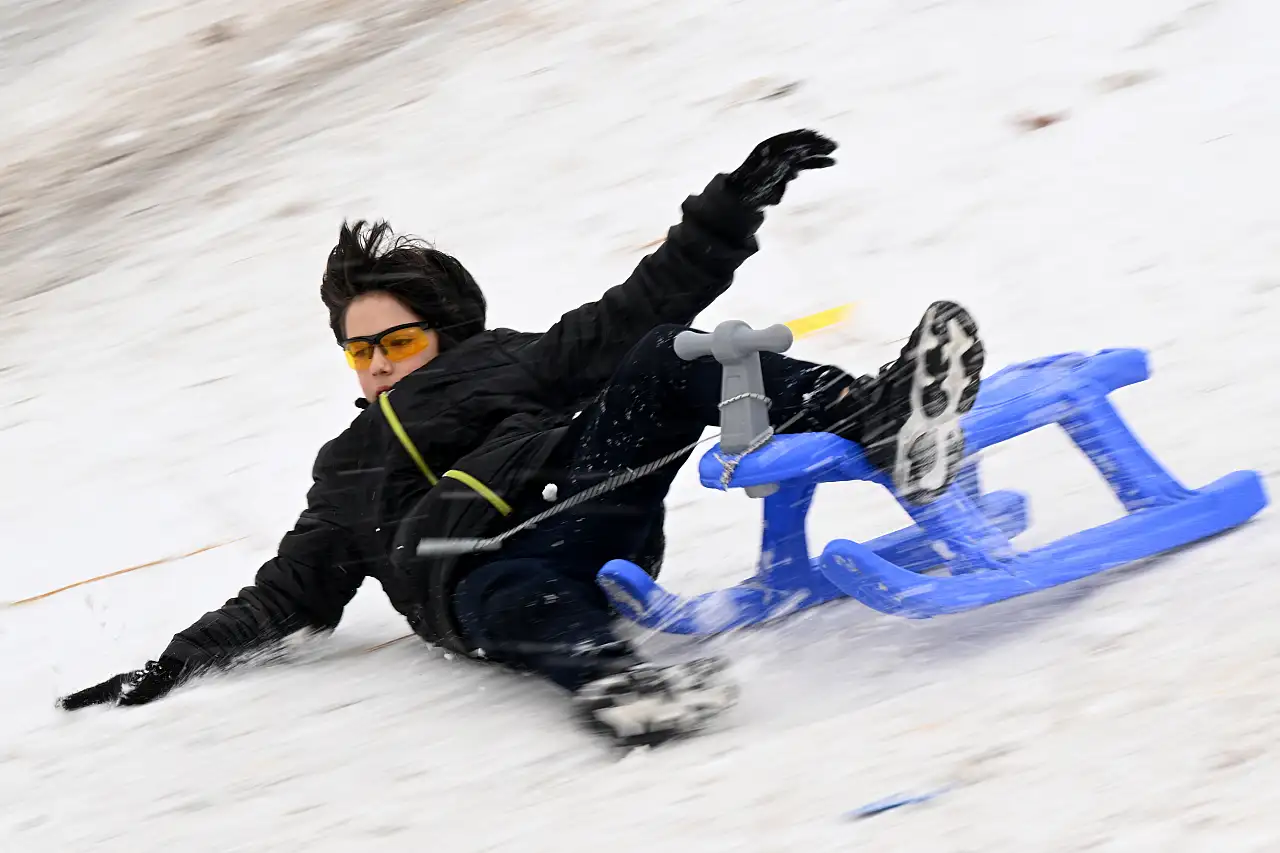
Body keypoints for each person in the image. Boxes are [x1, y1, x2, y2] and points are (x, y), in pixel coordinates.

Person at [56, 130, 984, 747]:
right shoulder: (346, 469)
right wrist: (175, 659)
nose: (377, 364)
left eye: (398, 341)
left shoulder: (511, 363)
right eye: (358, 350)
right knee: (503, 585)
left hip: (584, 510)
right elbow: (290, 592)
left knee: (670, 349)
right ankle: (613, 681)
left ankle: (883, 417)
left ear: (444, 333)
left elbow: (643, 304)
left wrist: (733, 203)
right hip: (470, 577)